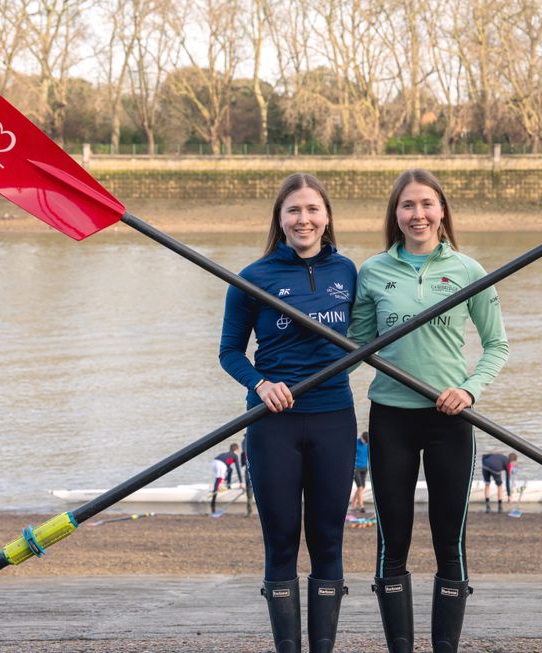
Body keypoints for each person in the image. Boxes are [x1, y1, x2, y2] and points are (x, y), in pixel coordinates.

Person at [348, 168, 509, 653]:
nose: (417, 214)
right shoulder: (374, 271)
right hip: (390, 418)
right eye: (407, 206)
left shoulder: (468, 271)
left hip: (449, 419)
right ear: (395, 215)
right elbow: (354, 342)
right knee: (391, 539)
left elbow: (496, 346)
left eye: (426, 205)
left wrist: (470, 390)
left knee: (449, 541)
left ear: (442, 211)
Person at [218, 173, 357, 653]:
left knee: (328, 541)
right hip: (272, 423)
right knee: (280, 543)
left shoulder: (347, 272)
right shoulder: (253, 278)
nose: (304, 219)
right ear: (280, 219)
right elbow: (230, 352)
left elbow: (368, 333)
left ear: (327, 217)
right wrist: (260, 382)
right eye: (294, 211)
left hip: (334, 418)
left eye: (312, 210)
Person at [210, 443, 243, 514]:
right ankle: (213, 499)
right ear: (237, 449)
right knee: (219, 479)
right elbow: (238, 469)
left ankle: (228, 485)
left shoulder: (227, 454)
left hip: (214, 462)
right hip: (220, 464)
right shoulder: (235, 455)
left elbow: (228, 465)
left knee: (230, 470)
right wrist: (241, 482)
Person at [352, 431, 370, 513]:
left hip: (364, 468)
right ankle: (362, 506)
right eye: (364, 440)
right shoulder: (355, 442)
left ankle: (353, 504)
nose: (364, 442)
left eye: (366, 441)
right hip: (356, 468)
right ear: (361, 437)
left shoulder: (367, 444)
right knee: (360, 487)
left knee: (362, 487)